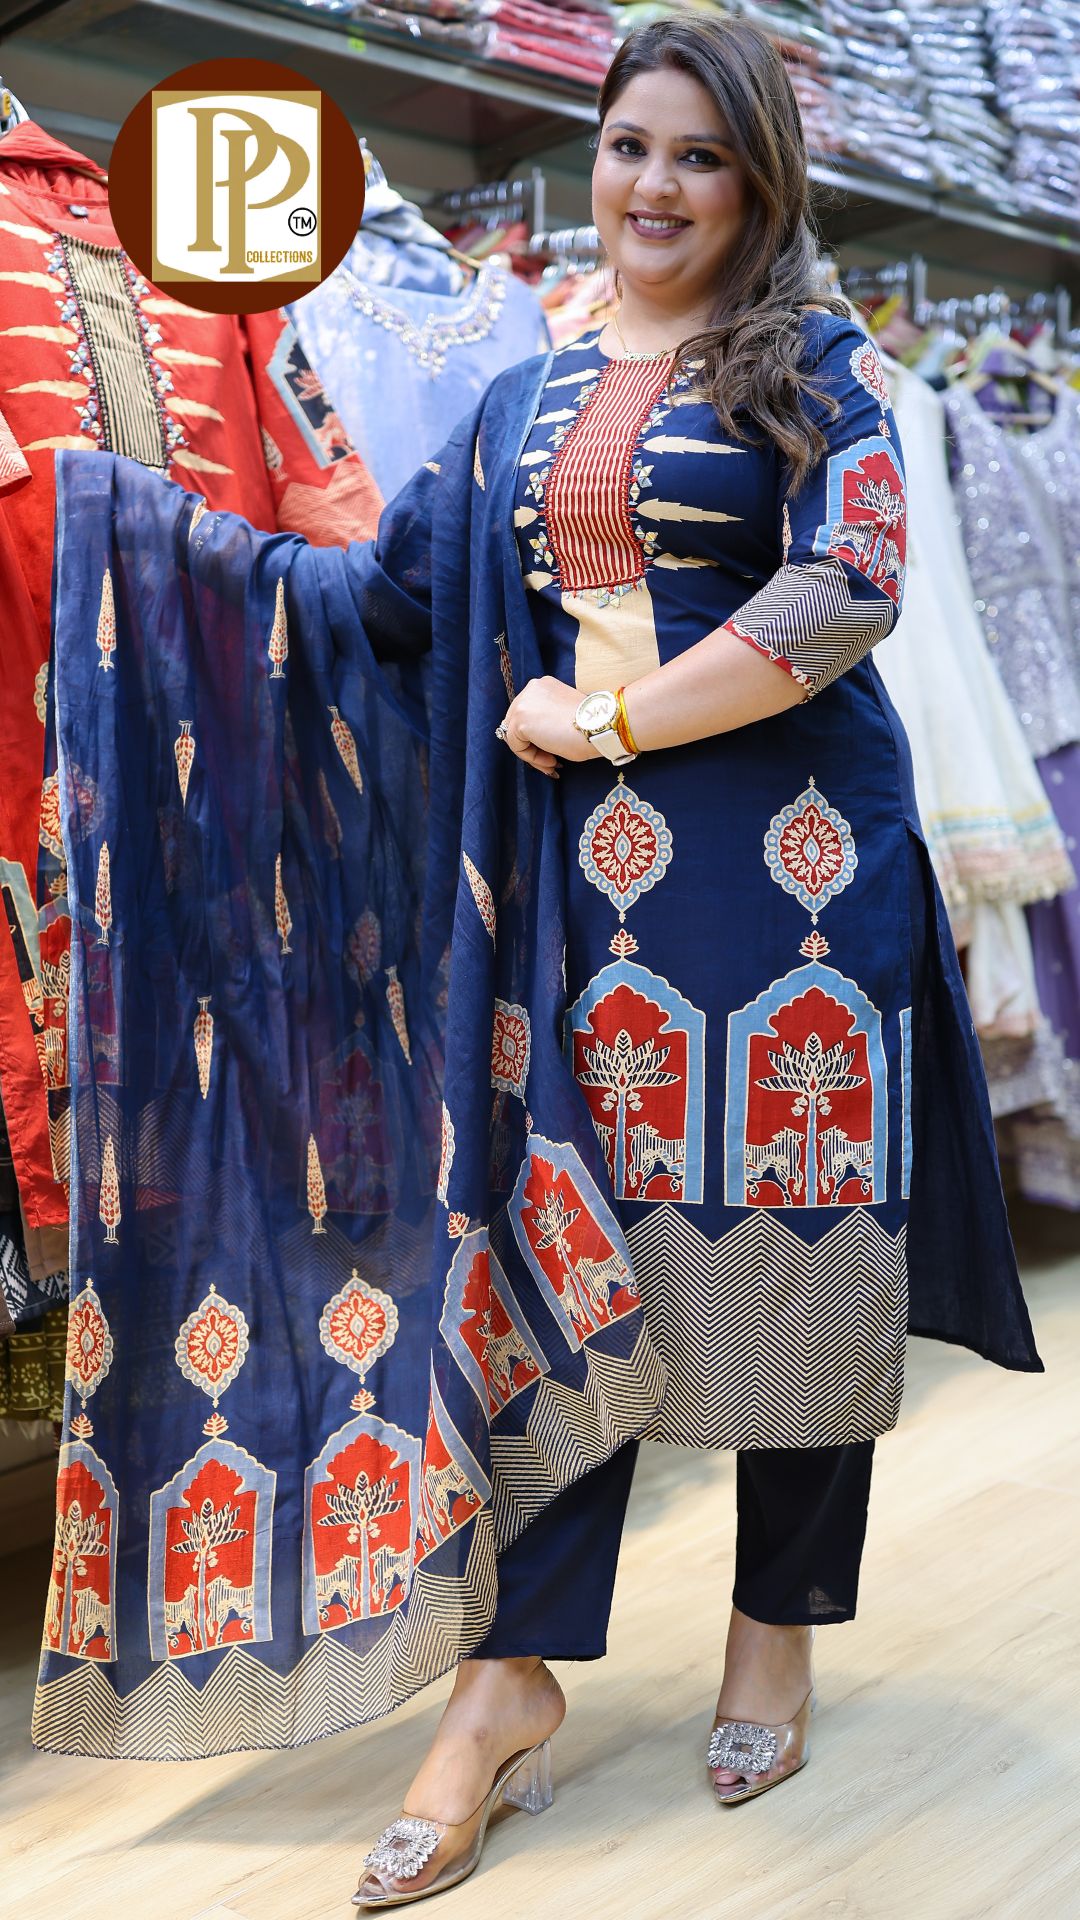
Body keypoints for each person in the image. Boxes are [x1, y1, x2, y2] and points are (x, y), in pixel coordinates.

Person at [350, 13, 1039, 1907]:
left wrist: (614, 720)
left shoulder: (817, 366)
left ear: (758, 181)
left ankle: (776, 1627)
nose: (652, 185)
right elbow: (396, 595)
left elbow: (847, 587)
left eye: (699, 154)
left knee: (793, 1240)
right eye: (628, 144)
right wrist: (142, 546)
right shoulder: (522, 390)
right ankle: (508, 1680)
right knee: (572, 1255)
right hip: (581, 897)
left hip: (797, 874)